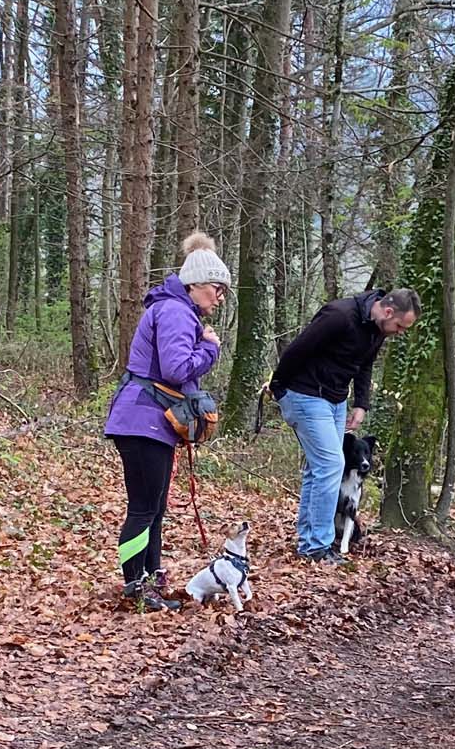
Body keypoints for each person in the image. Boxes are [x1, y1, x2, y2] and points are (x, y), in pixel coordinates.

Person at [105, 233, 230, 610]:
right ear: (194, 285)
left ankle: (151, 580)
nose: (219, 297)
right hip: (142, 422)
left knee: (154, 508)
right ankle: (135, 588)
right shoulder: (176, 312)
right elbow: (176, 369)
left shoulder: (175, 309)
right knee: (144, 508)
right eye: (215, 288)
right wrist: (209, 346)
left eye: (223, 290)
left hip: (147, 423)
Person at [267, 286, 420, 559]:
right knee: (331, 465)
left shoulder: (377, 330)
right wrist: (279, 387)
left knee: (318, 470)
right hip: (305, 394)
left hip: (336, 401)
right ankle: (317, 547)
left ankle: (308, 540)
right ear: (388, 311)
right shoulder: (339, 316)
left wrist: (361, 403)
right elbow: (298, 349)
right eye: (400, 325)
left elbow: (365, 365)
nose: (400, 332)